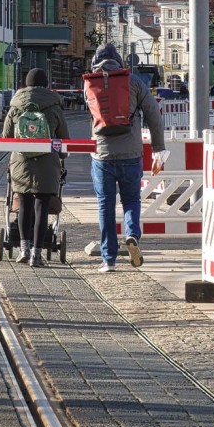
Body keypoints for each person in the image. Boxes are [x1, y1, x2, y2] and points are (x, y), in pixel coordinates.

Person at [86, 43, 165, 272]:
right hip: (131, 154)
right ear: (119, 61)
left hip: (102, 155)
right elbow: (153, 115)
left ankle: (108, 259)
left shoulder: (90, 83)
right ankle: (132, 235)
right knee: (131, 200)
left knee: (105, 205)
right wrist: (158, 147)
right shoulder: (134, 82)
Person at [2, 68, 69, 267]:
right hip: (47, 164)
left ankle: (24, 249)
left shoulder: (15, 106)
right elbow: (65, 139)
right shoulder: (54, 106)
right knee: (42, 207)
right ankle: (36, 255)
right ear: (46, 84)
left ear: (26, 84)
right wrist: (61, 156)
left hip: (21, 163)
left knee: (24, 206)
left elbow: (6, 138)